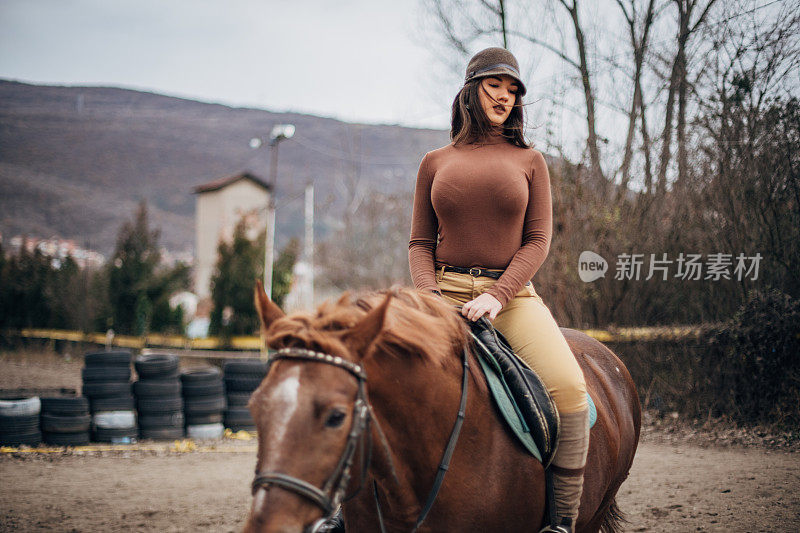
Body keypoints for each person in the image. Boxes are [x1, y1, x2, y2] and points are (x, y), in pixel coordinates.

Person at [408, 47, 589, 533]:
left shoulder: (531, 161)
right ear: (470, 90)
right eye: (494, 86)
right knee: (383, 379)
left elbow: (538, 241)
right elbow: (420, 243)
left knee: (571, 393)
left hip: (509, 296)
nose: (504, 97)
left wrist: (497, 295)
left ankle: (562, 522)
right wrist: (429, 298)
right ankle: (350, 510)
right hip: (440, 292)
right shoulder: (434, 161)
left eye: (512, 90)